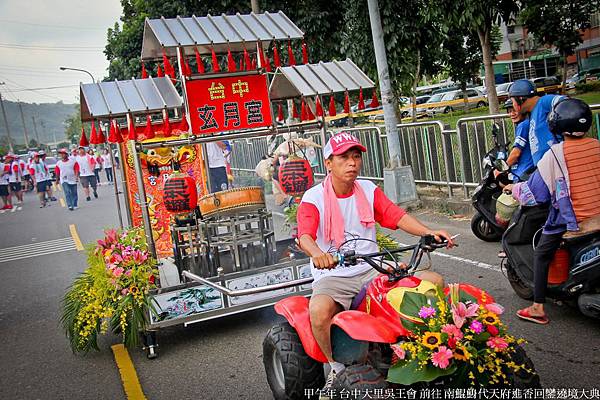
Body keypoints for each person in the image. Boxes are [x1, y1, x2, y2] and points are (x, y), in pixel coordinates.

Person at [296, 132, 454, 387]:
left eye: (356, 157)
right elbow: (304, 235)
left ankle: (434, 352)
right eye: (344, 157)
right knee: (319, 310)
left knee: (433, 282)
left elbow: (397, 216)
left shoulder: (368, 189)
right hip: (334, 274)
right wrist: (318, 255)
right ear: (328, 163)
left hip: (372, 267)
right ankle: (336, 368)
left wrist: (428, 233)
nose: (352, 163)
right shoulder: (313, 198)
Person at [509, 99, 600, 325]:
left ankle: (538, 307)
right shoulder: (597, 145)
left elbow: (534, 195)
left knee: (541, 253)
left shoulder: (554, 156)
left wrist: (514, 189)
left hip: (576, 222)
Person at [508, 79, 566, 165]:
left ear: (520, 99)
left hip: (554, 165)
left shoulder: (543, 102)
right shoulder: (533, 113)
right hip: (543, 167)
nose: (513, 105)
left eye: (513, 102)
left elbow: (567, 103)